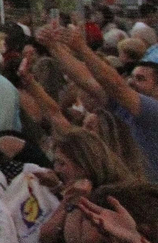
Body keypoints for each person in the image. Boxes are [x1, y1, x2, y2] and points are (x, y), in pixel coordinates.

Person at [39, 26, 158, 182]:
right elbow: (86, 80)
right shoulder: (127, 109)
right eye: (132, 77)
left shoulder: (153, 111)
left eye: (141, 79)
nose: (132, 82)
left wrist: (82, 48)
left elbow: (117, 86)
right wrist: (53, 46)